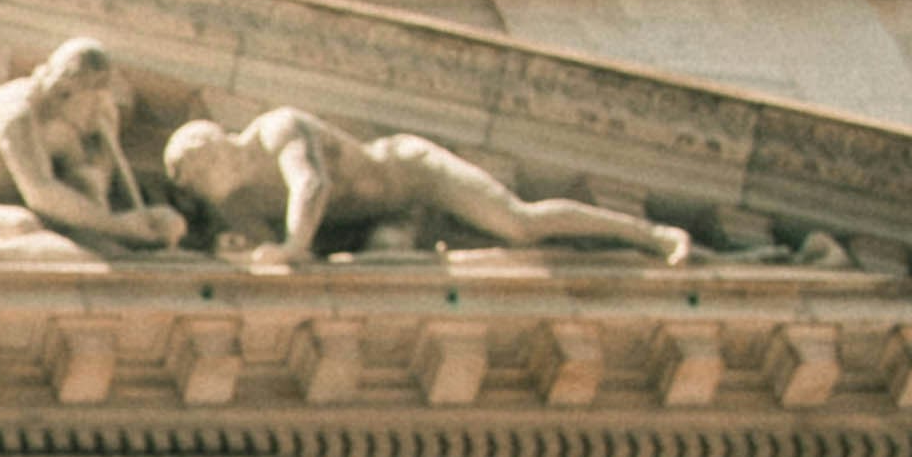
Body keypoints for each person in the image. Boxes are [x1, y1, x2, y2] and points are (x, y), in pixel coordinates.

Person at [161, 102, 695, 264]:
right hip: (377, 223)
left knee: (518, 223)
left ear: (215, 149)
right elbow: (258, 251)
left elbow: (311, 186)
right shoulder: (241, 196)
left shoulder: (277, 129)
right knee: (382, 268)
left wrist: (292, 246)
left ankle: (651, 235)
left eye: (199, 176)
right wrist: (239, 247)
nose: (205, 192)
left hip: (414, 177)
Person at [0, 39, 180, 255]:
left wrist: (100, 156)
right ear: (64, 91)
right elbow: (40, 192)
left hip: (41, 218)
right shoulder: (16, 110)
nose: (95, 116)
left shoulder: (68, 121)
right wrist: (121, 226)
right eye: (92, 106)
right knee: (21, 224)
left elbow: (90, 201)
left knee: (94, 241)